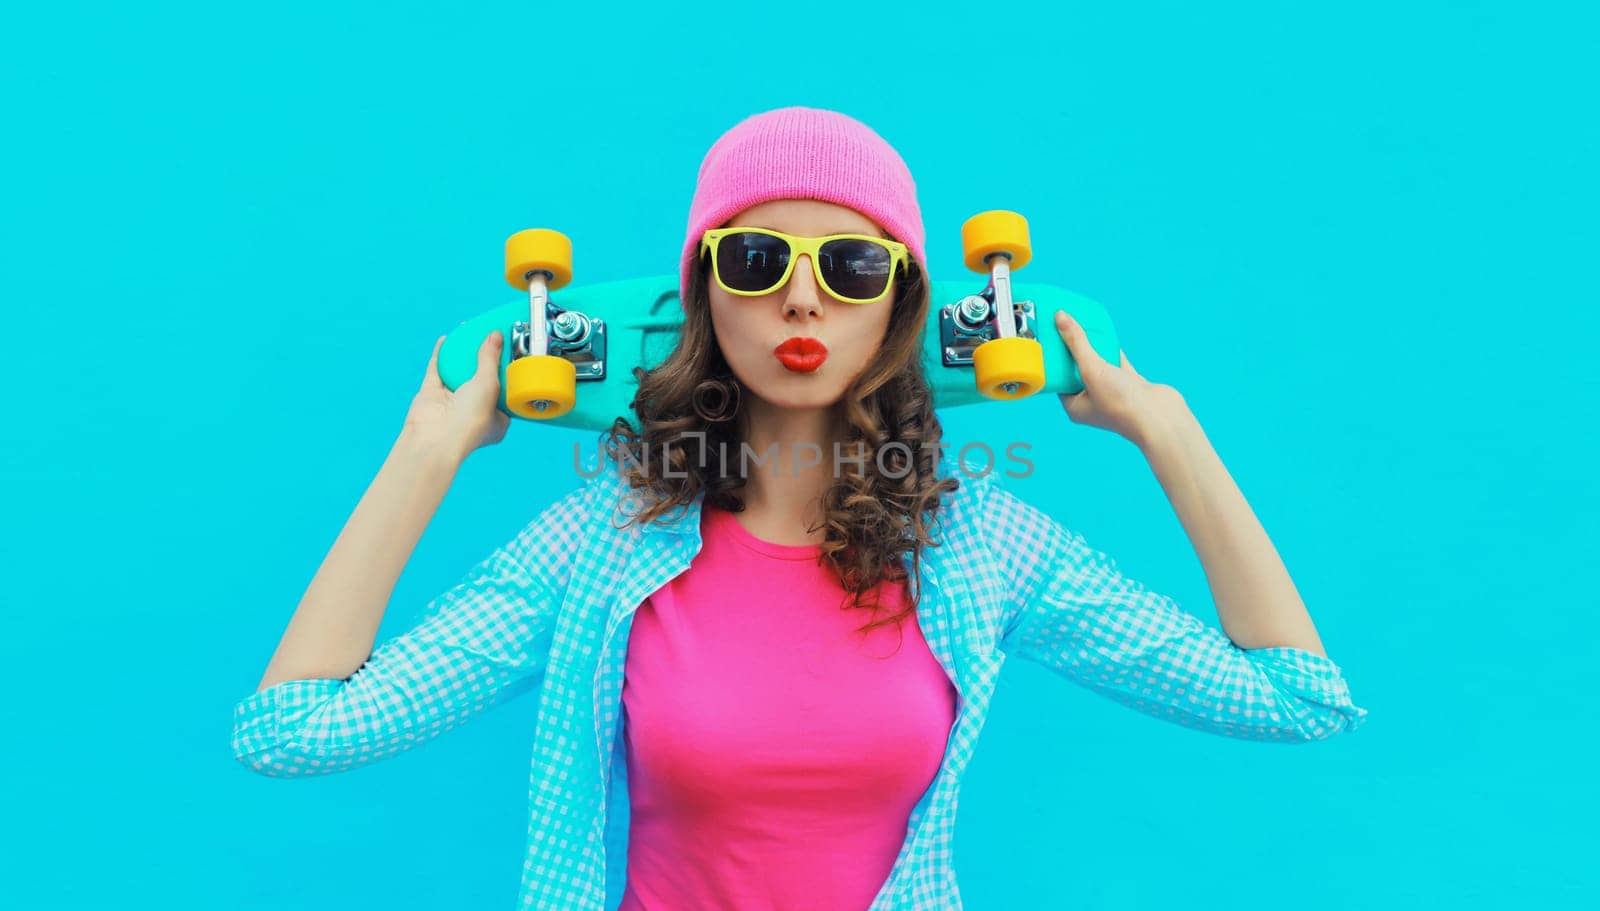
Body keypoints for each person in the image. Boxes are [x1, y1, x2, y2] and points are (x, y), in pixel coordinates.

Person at [231, 106, 1369, 911]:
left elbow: (1295, 699)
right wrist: (425, 452)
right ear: (701, 295)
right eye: (759, 256)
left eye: (853, 268)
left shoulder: (977, 546)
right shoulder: (599, 542)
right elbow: (291, 734)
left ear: (902, 306)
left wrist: (1169, 430)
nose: (801, 296)